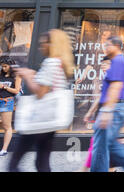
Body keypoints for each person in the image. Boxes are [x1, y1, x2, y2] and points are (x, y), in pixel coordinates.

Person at [9, 29, 74, 172]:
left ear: (53, 44)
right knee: (42, 163)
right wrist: (34, 75)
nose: (40, 47)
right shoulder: (61, 63)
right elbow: (49, 86)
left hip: (38, 119)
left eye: (43, 44)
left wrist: (26, 75)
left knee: (13, 163)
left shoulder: (50, 62)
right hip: (50, 120)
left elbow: (40, 93)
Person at [90, 36, 124, 172]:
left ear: (117, 46)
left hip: (115, 106)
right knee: (109, 142)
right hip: (118, 106)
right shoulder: (119, 61)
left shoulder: (118, 61)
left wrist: (107, 111)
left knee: (100, 145)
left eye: (108, 45)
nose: (105, 48)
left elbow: (116, 86)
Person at [77, 57, 112, 172]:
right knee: (104, 143)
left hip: (107, 115)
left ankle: (84, 169)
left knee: (97, 143)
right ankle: (112, 168)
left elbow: (102, 97)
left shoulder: (111, 78)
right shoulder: (108, 77)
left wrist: (90, 112)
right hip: (105, 113)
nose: (102, 65)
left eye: (106, 64)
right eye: (102, 63)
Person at [0, 57, 22, 156]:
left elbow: (16, 91)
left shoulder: (16, 76)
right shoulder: (1, 74)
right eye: (2, 66)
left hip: (7, 102)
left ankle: (4, 149)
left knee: (6, 126)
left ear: (10, 66)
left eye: (5, 66)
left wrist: (4, 87)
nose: (3, 68)